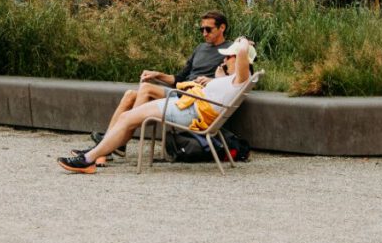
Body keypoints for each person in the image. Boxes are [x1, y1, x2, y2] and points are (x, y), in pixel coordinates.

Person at [58, 36, 256, 173]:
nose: (226, 58)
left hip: (189, 111)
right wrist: (218, 77)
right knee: (129, 116)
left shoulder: (241, 78)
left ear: (240, 60)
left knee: (128, 118)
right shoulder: (233, 79)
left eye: (229, 56)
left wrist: (243, 42)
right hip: (189, 105)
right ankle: (101, 151)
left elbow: (242, 54)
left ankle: (90, 158)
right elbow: (222, 87)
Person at [85, 11, 231, 158]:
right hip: (180, 91)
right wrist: (157, 75)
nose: (204, 33)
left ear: (222, 28)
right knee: (129, 95)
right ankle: (112, 145)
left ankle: (115, 142)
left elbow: (236, 78)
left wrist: (212, 80)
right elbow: (179, 78)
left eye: (208, 29)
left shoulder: (230, 51)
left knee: (146, 88)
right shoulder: (200, 48)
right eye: (202, 29)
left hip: (194, 98)